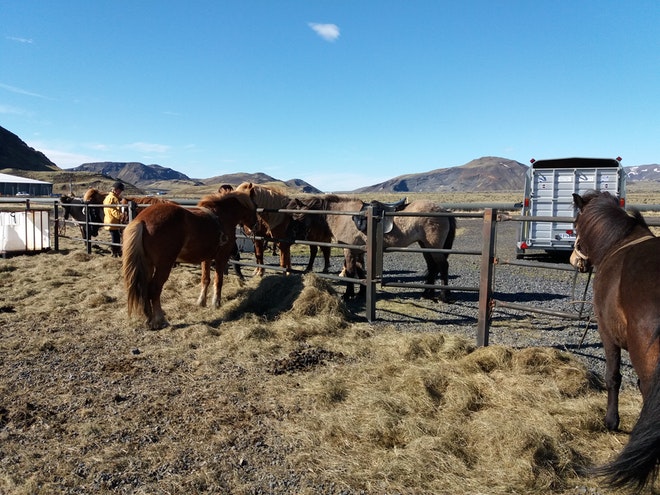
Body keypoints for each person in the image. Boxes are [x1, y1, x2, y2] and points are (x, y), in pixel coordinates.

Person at [103, 181, 125, 257]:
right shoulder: (113, 198)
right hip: (113, 221)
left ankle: (115, 252)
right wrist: (122, 216)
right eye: (120, 190)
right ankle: (115, 252)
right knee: (115, 238)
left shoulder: (108, 197)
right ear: (116, 189)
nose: (120, 192)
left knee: (115, 237)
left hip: (109, 220)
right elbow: (113, 211)